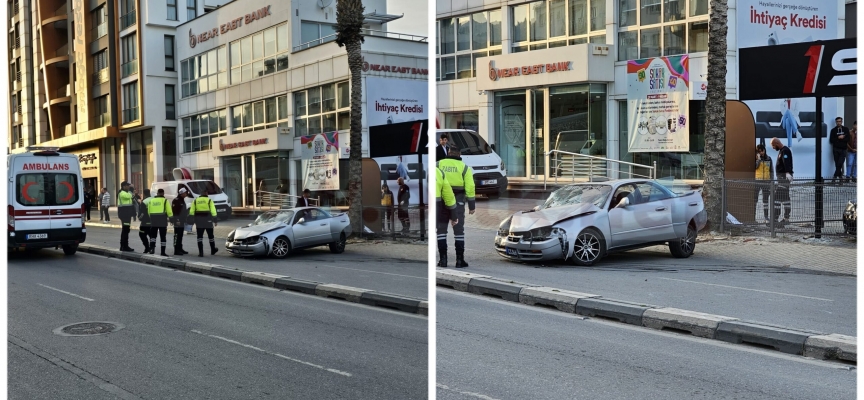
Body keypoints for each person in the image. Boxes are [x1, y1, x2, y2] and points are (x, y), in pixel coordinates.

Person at [438, 147, 476, 267]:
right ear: (459, 154)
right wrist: (471, 205)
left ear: (448, 153)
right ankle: (460, 261)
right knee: (459, 231)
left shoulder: (438, 165)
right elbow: (470, 187)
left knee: (441, 231)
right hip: (458, 202)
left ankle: (443, 260)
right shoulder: (464, 167)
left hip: (442, 202)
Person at [435, 167, 459, 268]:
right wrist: (454, 215)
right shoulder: (438, 172)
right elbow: (448, 195)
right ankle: (443, 260)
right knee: (441, 233)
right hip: (439, 206)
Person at [771, 137, 793, 225]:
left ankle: (775, 219)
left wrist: (787, 172)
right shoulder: (782, 150)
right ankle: (786, 218)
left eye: (773, 146)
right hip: (782, 178)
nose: (773, 148)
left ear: (776, 143)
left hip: (783, 178)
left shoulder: (785, 151)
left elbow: (786, 161)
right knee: (785, 198)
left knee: (777, 198)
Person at [189, 190, 218, 257]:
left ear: (200, 194)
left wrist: (191, 220)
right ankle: (213, 250)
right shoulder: (209, 200)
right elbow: (213, 211)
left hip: (199, 221)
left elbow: (191, 211)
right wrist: (215, 220)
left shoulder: (195, 201)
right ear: (206, 193)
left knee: (199, 237)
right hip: (208, 221)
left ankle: (201, 253)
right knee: (211, 236)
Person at [148, 189, 174, 256]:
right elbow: (169, 211)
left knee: (153, 236)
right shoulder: (165, 200)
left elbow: (148, 211)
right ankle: (162, 252)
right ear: (163, 193)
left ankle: (151, 249)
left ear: (157, 193)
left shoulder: (152, 200)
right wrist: (171, 218)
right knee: (163, 236)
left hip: (153, 220)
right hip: (162, 220)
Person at [754, 144, 773, 223]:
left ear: (764, 150)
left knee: (765, 200)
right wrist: (758, 159)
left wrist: (772, 181)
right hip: (757, 181)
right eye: (759, 151)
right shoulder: (756, 159)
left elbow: (771, 171)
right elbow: (755, 167)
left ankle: (766, 217)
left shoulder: (769, 159)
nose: (761, 152)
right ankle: (753, 217)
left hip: (766, 182)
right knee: (755, 200)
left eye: (762, 151)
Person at [829, 117, 850, 184]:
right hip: (836, 149)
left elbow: (848, 139)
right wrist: (838, 138)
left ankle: (834, 177)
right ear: (836, 122)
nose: (838, 122)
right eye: (837, 121)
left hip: (843, 149)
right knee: (837, 164)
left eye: (839, 121)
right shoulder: (833, 130)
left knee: (840, 163)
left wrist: (842, 138)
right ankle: (840, 179)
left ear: (842, 122)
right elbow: (831, 140)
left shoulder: (846, 129)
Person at [117, 181, 135, 251]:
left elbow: (131, 199)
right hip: (124, 214)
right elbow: (129, 196)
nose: (128, 187)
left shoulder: (126, 193)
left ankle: (124, 246)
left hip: (127, 214)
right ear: (124, 186)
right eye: (127, 186)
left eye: (129, 186)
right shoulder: (122, 193)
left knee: (126, 230)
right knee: (125, 230)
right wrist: (131, 190)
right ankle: (124, 246)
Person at [172, 188, 190, 255]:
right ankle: (176, 250)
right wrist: (177, 220)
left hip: (182, 221)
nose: (186, 193)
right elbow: (175, 212)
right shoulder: (176, 200)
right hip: (178, 221)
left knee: (180, 235)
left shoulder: (182, 200)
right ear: (181, 193)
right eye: (185, 192)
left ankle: (180, 248)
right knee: (177, 235)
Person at [138, 189, 153, 253]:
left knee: (142, 234)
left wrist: (139, 218)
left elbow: (142, 212)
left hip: (145, 222)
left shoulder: (144, 202)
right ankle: (152, 248)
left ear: (144, 194)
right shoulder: (153, 199)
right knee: (152, 236)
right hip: (153, 222)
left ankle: (147, 247)